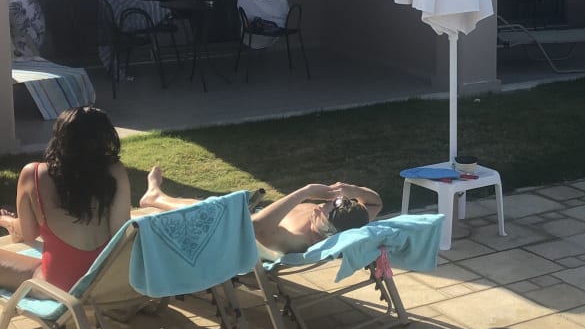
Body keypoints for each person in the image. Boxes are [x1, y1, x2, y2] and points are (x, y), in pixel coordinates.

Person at [3, 107, 133, 288]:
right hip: (105, 281)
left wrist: (7, 221)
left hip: (60, 284)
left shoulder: (33, 173)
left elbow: (28, 233)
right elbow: (121, 233)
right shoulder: (115, 170)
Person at [142, 171, 378, 253]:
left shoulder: (300, 239)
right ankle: (156, 196)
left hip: (233, 231)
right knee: (214, 204)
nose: (321, 204)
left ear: (325, 220)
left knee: (209, 208)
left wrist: (305, 192)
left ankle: (155, 197)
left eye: (325, 205)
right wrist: (353, 190)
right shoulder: (349, 220)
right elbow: (375, 203)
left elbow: (255, 227)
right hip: (253, 213)